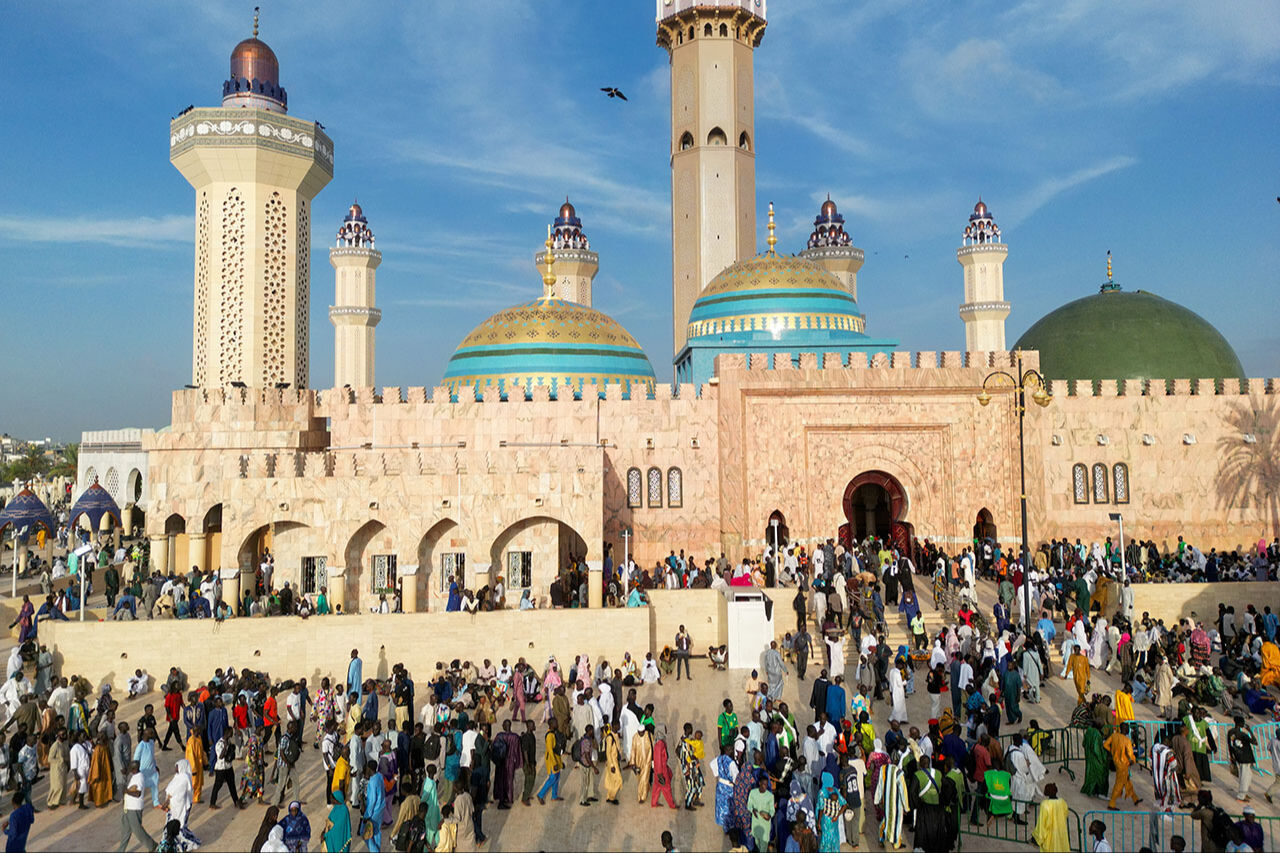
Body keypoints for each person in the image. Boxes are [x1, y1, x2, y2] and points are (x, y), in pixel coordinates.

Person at [118, 760, 157, 853]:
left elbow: (137, 793)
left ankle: (152, 845)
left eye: (130, 768)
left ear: (134, 769)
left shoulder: (139, 778)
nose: (129, 769)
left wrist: (126, 791)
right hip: (128, 807)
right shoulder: (134, 775)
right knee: (125, 831)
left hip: (134, 808)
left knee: (137, 830)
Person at [1104, 724, 1142, 810]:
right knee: (1119, 783)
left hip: (1116, 762)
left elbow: (1105, 745)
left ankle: (1135, 798)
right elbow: (1130, 754)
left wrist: (1113, 752)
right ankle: (1111, 803)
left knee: (1127, 781)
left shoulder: (1114, 736)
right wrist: (1133, 760)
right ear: (1126, 730)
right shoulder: (1127, 740)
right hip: (1123, 764)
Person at [1228, 715, 1257, 803]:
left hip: (1238, 756)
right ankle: (1241, 796)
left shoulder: (1230, 732)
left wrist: (1232, 756)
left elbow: (1230, 745)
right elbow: (1255, 742)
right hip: (1246, 757)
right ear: (1241, 724)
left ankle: (1244, 792)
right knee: (1245, 776)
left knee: (1245, 775)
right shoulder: (1242, 734)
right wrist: (1250, 730)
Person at [1033, 782, 1069, 853]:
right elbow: (1065, 814)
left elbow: (1042, 824)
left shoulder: (1045, 804)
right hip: (1061, 832)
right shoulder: (1063, 802)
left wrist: (1038, 838)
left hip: (1050, 835)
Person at [362, 760, 385, 852]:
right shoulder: (379, 776)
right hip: (381, 807)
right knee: (376, 832)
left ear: (369, 769)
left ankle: (375, 851)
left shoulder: (372, 782)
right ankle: (377, 848)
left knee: (365, 833)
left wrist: (367, 816)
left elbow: (372, 801)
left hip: (374, 812)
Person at [747, 774, 775, 852]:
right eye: (763, 784)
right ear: (759, 783)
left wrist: (769, 816)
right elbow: (749, 805)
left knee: (764, 846)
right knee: (757, 843)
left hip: (765, 825)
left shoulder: (770, 796)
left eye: (766, 785)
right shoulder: (753, 793)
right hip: (756, 824)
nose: (764, 786)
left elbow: (772, 810)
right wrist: (752, 810)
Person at [322, 789, 353, 853]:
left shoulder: (344, 811)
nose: (331, 800)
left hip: (340, 840)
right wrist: (324, 830)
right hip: (333, 837)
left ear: (337, 799)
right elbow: (329, 820)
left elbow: (338, 829)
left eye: (332, 798)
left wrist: (326, 835)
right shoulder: (336, 808)